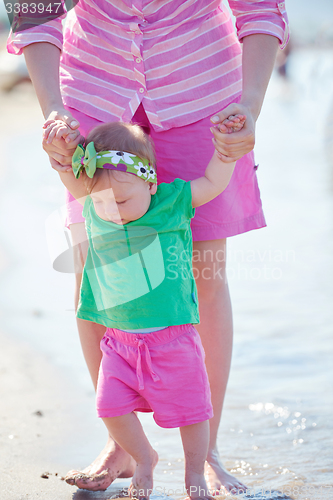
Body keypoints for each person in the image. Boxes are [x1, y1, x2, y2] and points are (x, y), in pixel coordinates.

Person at [7, 0, 289, 493]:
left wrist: (250, 103)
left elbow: (261, 7)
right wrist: (52, 107)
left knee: (203, 272)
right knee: (95, 269)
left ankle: (207, 452)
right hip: (93, 94)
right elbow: (36, 7)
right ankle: (125, 444)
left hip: (204, 95)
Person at [46, 115, 245, 499]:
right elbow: (65, 172)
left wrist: (226, 149)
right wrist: (61, 146)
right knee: (109, 408)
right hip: (118, 343)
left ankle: (195, 474)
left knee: (193, 413)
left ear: (150, 183)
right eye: (102, 200)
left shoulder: (170, 203)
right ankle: (143, 458)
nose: (112, 211)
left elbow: (214, 182)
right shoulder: (95, 203)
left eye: (122, 200)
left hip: (174, 339)